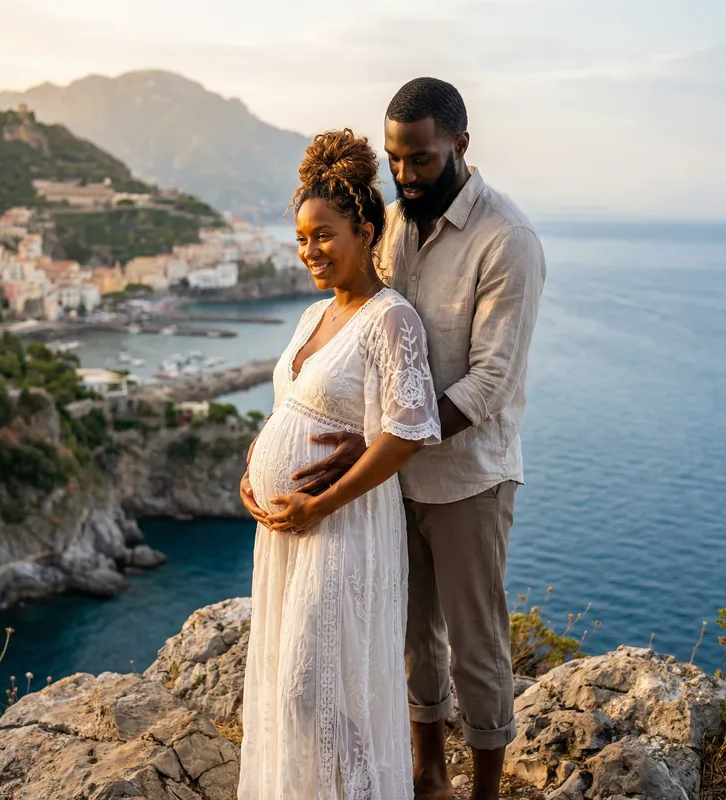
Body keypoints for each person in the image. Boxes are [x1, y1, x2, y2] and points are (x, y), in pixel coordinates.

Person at [266, 78, 547, 800]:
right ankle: (429, 775)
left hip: (468, 478)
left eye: (420, 159)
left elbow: (490, 381)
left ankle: (486, 789)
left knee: (476, 644)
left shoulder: (506, 240)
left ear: (460, 144)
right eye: (395, 160)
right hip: (388, 481)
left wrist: (389, 440)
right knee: (412, 635)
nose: (405, 175)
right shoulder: (387, 223)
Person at [238, 128, 441, 800]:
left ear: (366, 231)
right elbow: (290, 408)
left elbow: (408, 431)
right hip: (289, 532)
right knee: (291, 688)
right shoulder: (311, 315)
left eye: (324, 235)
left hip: (341, 529)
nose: (310, 251)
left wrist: (318, 504)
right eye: (302, 238)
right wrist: (254, 469)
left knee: (315, 687)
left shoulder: (391, 319)